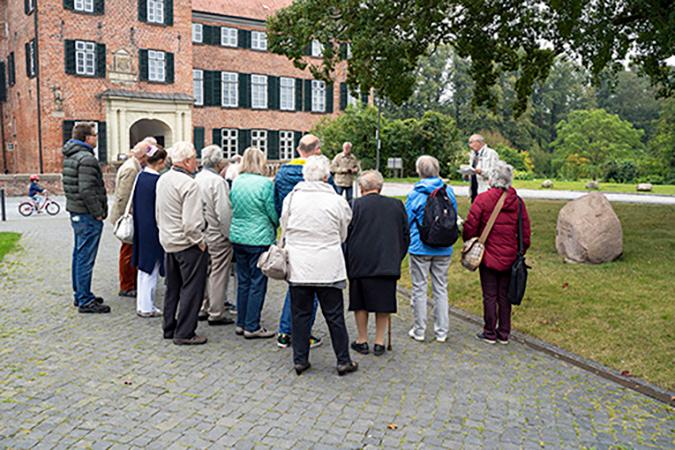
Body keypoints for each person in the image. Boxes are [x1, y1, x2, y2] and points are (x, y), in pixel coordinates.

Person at [283, 155, 357, 376]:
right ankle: (343, 360)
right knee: (334, 315)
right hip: (328, 263)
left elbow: (284, 226)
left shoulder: (292, 198)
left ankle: (300, 359)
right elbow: (344, 231)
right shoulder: (336, 201)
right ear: (326, 176)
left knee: (300, 314)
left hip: (299, 264)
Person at [463, 161, 531, 345]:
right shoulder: (518, 202)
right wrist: (521, 251)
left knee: (490, 295)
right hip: (510, 256)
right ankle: (504, 333)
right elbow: (525, 232)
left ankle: (490, 332)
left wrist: (470, 241)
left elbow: (470, 226)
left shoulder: (483, 199)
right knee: (505, 295)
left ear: (492, 178)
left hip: (488, 256)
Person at [345, 170, 409, 356]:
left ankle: (362, 339)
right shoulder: (396, 205)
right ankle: (379, 342)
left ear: (361, 187)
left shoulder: (354, 205)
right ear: (380, 187)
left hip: (360, 263)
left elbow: (345, 236)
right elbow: (405, 235)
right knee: (384, 304)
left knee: (360, 304)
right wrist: (397, 256)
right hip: (386, 262)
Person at [273, 134, 325, 349]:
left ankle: (285, 331)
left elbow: (277, 204)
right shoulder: (321, 174)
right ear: (317, 150)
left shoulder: (282, 173)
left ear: (297, 149)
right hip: (315, 237)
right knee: (311, 287)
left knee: (295, 284)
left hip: (292, 234)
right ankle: (303, 333)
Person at [156, 142, 209, 345]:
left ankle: (169, 327)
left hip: (169, 241)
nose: (197, 162)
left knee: (173, 287)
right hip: (187, 244)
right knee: (192, 289)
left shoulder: (163, 179)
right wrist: (199, 241)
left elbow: (159, 213)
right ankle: (185, 332)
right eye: (195, 157)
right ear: (187, 161)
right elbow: (191, 223)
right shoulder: (189, 184)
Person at [405, 155, 458, 343]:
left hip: (420, 246)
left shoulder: (415, 194)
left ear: (419, 171)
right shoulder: (448, 192)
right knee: (441, 288)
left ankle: (419, 330)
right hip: (443, 247)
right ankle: (442, 331)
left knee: (419, 288)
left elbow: (407, 220)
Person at [229, 147, 279, 339]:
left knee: (243, 281)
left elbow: (233, 204)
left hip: (238, 236)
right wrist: (275, 224)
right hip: (258, 237)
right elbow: (271, 211)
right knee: (258, 282)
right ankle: (252, 325)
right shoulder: (265, 184)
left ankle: (241, 322)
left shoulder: (237, 181)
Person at [62, 122, 110, 313]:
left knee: (79, 254)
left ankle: (80, 294)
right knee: (85, 257)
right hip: (86, 214)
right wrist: (98, 212)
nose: (96, 138)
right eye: (94, 135)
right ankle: (84, 299)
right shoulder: (87, 159)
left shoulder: (71, 155)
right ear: (87, 138)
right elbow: (87, 189)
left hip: (76, 212)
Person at [110, 137, 155, 298]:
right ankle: (126, 285)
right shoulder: (131, 169)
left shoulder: (133, 166)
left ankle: (130, 283)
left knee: (129, 250)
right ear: (143, 156)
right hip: (127, 216)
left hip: (129, 215)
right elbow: (124, 197)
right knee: (127, 251)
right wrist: (126, 218)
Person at [195, 145, 235, 326]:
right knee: (219, 272)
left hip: (201, 232)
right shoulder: (217, 182)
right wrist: (228, 234)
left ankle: (203, 306)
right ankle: (216, 311)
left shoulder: (197, 178)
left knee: (205, 271)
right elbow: (223, 212)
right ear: (219, 162)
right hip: (216, 233)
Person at [132, 144, 167, 318]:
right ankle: (147, 306)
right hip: (152, 227)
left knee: (143, 268)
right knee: (151, 269)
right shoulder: (156, 180)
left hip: (142, 225)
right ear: (160, 162)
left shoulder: (140, 176)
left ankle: (143, 304)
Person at [468, 134, 499, 203]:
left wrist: (481, 172)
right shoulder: (473, 154)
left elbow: (495, 173)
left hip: (485, 190)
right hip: (474, 189)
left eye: (471, 142)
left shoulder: (491, 153)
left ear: (478, 142)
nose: (470, 145)